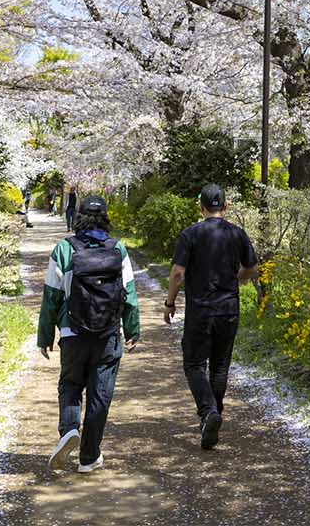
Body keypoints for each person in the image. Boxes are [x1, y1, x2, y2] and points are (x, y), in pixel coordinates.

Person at [38, 195, 140, 473]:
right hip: (108, 334)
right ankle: (89, 457)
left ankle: (70, 429)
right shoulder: (117, 249)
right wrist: (132, 329)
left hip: (72, 332)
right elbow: (129, 294)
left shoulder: (64, 249)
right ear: (105, 218)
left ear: (79, 217)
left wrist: (45, 337)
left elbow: (51, 297)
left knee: (71, 384)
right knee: (100, 395)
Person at [163, 183, 257, 450]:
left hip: (200, 310)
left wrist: (170, 302)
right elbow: (252, 269)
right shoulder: (237, 233)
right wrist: (236, 279)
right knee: (220, 366)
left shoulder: (190, 234)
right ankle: (213, 414)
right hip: (228, 309)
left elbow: (178, 273)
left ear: (201, 207)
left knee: (194, 364)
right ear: (225, 206)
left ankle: (208, 412)